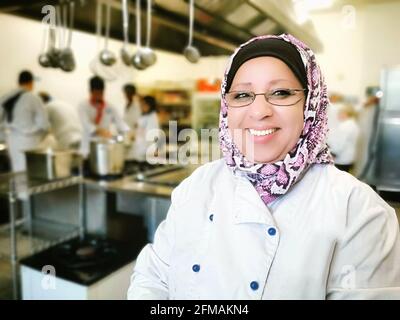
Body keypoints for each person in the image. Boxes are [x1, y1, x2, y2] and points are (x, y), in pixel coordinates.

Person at [127, 34, 400, 300]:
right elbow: (153, 277)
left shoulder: (360, 211)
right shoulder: (198, 185)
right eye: (242, 94)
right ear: (226, 107)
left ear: (311, 103)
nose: (259, 111)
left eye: (280, 93)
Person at [0, 70, 49, 172]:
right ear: (31, 83)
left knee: (17, 171)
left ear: (19, 82)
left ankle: (19, 188)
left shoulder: (5, 97)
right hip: (28, 141)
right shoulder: (33, 98)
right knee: (30, 173)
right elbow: (44, 124)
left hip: (11, 140)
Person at [78, 76, 130, 157]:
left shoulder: (110, 107)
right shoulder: (83, 106)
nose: (99, 96)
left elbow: (121, 124)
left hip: (104, 148)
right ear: (90, 92)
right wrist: (102, 131)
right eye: (96, 93)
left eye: (101, 93)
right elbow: (86, 125)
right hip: (88, 148)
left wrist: (127, 132)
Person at [328, 104, 360, 173]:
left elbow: (339, 144)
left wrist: (332, 154)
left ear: (345, 114)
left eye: (340, 113)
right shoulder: (353, 124)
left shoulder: (345, 126)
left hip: (341, 160)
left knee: (337, 180)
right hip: (348, 158)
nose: (338, 115)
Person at [130, 95, 161, 161]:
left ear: (149, 105)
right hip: (140, 149)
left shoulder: (153, 117)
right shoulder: (145, 115)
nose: (141, 106)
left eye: (143, 104)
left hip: (146, 151)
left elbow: (152, 136)